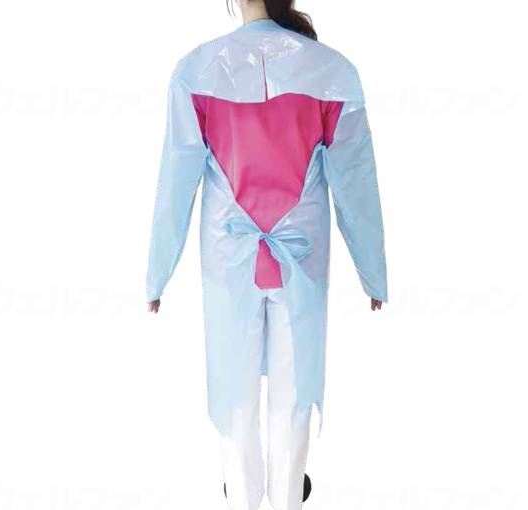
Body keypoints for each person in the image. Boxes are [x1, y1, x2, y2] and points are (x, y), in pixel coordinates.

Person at [145, 1, 387, 509]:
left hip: (228, 254)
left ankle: (243, 496)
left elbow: (176, 181)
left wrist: (157, 274)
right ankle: (287, 497)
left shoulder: (197, 70)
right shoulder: (332, 72)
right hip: (303, 254)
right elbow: (356, 183)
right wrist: (373, 272)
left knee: (233, 391)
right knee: (294, 392)